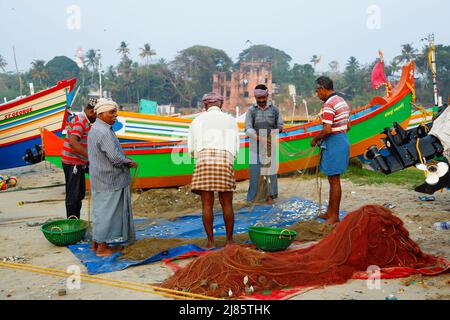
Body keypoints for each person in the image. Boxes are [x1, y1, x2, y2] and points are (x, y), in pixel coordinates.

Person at [188, 92, 240, 248]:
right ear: (221, 104)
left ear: (205, 105)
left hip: (204, 160)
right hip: (225, 160)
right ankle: (229, 241)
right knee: (227, 204)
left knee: (207, 205)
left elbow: (191, 147)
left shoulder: (197, 120)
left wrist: (198, 156)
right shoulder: (231, 120)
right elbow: (236, 145)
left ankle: (210, 242)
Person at [87, 98, 137, 256]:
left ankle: (95, 244)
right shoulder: (104, 132)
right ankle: (102, 247)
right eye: (112, 112)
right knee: (107, 214)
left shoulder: (95, 128)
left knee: (100, 212)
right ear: (101, 114)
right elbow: (115, 158)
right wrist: (129, 162)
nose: (115, 115)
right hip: (110, 180)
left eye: (116, 112)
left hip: (99, 178)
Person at [311, 76, 350, 225]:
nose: (317, 94)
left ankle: (334, 215)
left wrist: (315, 139)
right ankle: (330, 212)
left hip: (335, 143)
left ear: (322, 88)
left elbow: (327, 129)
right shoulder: (342, 101)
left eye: (317, 91)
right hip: (342, 140)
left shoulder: (329, 104)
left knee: (334, 181)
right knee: (333, 179)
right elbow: (348, 125)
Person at [245, 84, 283, 204]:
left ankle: (270, 196)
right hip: (255, 146)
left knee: (271, 172)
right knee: (255, 173)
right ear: (255, 97)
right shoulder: (251, 110)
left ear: (267, 95)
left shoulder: (275, 110)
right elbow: (248, 128)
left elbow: (280, 126)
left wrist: (274, 133)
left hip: (270, 144)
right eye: (258, 99)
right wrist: (259, 138)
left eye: (263, 98)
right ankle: (253, 198)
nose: (261, 101)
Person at [61, 98, 97, 219]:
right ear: (91, 111)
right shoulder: (80, 120)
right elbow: (73, 142)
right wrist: (90, 157)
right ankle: (72, 221)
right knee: (73, 195)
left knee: (79, 193)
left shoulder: (86, 121)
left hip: (78, 162)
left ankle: (76, 219)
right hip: (72, 162)